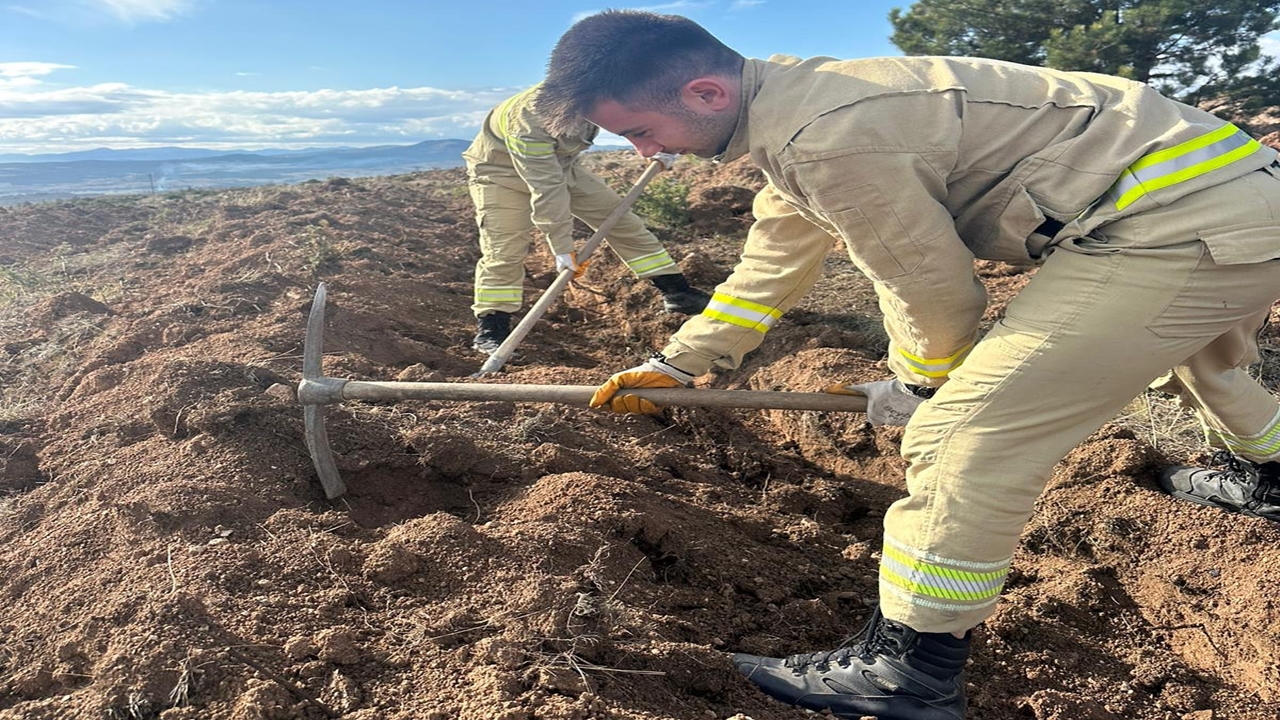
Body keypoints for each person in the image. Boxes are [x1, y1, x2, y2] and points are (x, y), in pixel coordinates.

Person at [537, 10, 1280, 720]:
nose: (644, 154)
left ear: (706, 94)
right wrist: (680, 362)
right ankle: (1269, 475)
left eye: (640, 132)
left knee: (961, 435)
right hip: (1236, 200)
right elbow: (776, 256)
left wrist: (923, 383)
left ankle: (908, 671)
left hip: (1171, 227)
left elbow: (931, 288)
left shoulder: (823, 138)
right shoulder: (797, 107)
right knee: (1200, 356)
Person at [462, 82, 711, 354]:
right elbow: (547, 189)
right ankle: (492, 328)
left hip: (562, 165)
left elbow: (629, 122)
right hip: (500, 175)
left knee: (619, 220)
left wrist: (662, 144)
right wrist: (562, 247)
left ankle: (677, 292)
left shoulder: (599, 93)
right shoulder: (529, 121)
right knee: (505, 249)